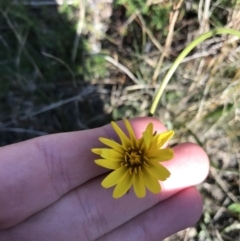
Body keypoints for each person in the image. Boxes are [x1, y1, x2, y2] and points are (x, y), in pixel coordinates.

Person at [0, 117, 209, 241]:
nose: (135, 157)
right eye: (133, 156)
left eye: (136, 157)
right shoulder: (130, 161)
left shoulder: (150, 166)